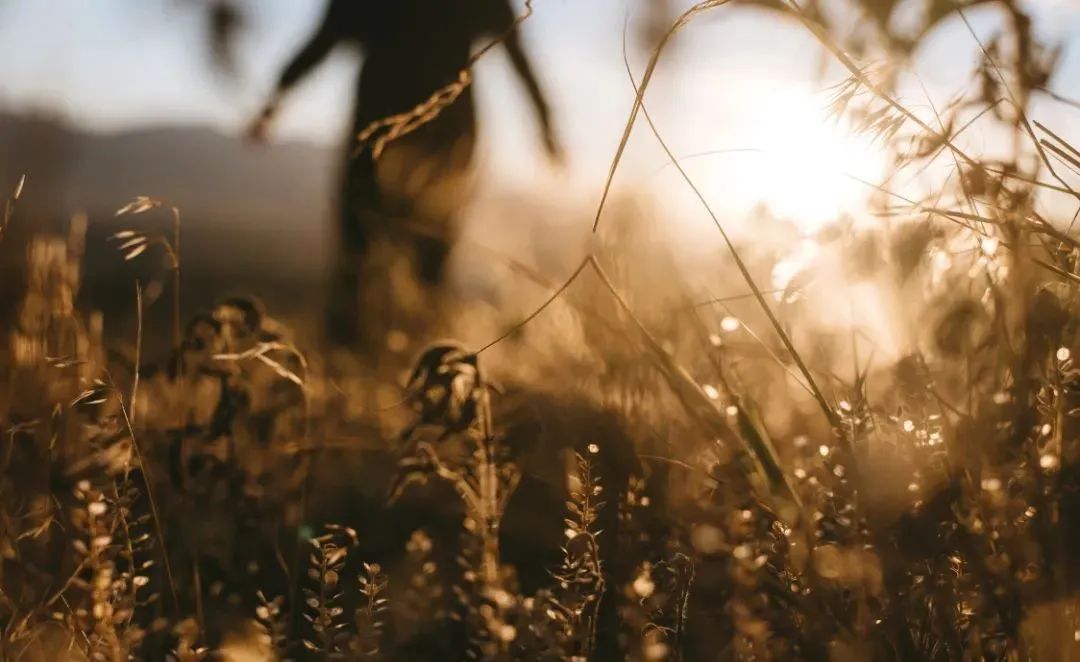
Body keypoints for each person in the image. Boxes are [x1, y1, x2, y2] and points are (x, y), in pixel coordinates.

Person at [247, 0, 560, 354]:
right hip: (437, 131)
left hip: (392, 126)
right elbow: (517, 53)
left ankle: (375, 352)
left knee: (367, 248)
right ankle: (399, 355)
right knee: (412, 251)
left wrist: (275, 100)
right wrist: (545, 124)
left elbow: (323, 42)